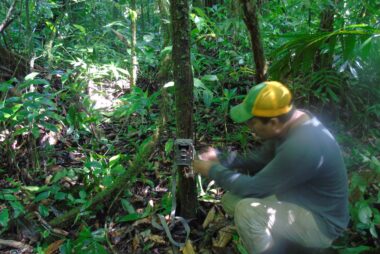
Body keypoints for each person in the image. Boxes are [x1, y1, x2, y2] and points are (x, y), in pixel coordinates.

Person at [193, 81, 349, 254]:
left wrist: (211, 169)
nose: (250, 129)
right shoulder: (292, 121)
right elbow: (260, 159)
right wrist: (222, 159)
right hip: (300, 198)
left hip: (322, 223)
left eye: (252, 123)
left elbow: (253, 188)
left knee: (247, 212)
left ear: (273, 122)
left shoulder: (301, 146)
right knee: (231, 200)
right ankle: (287, 242)